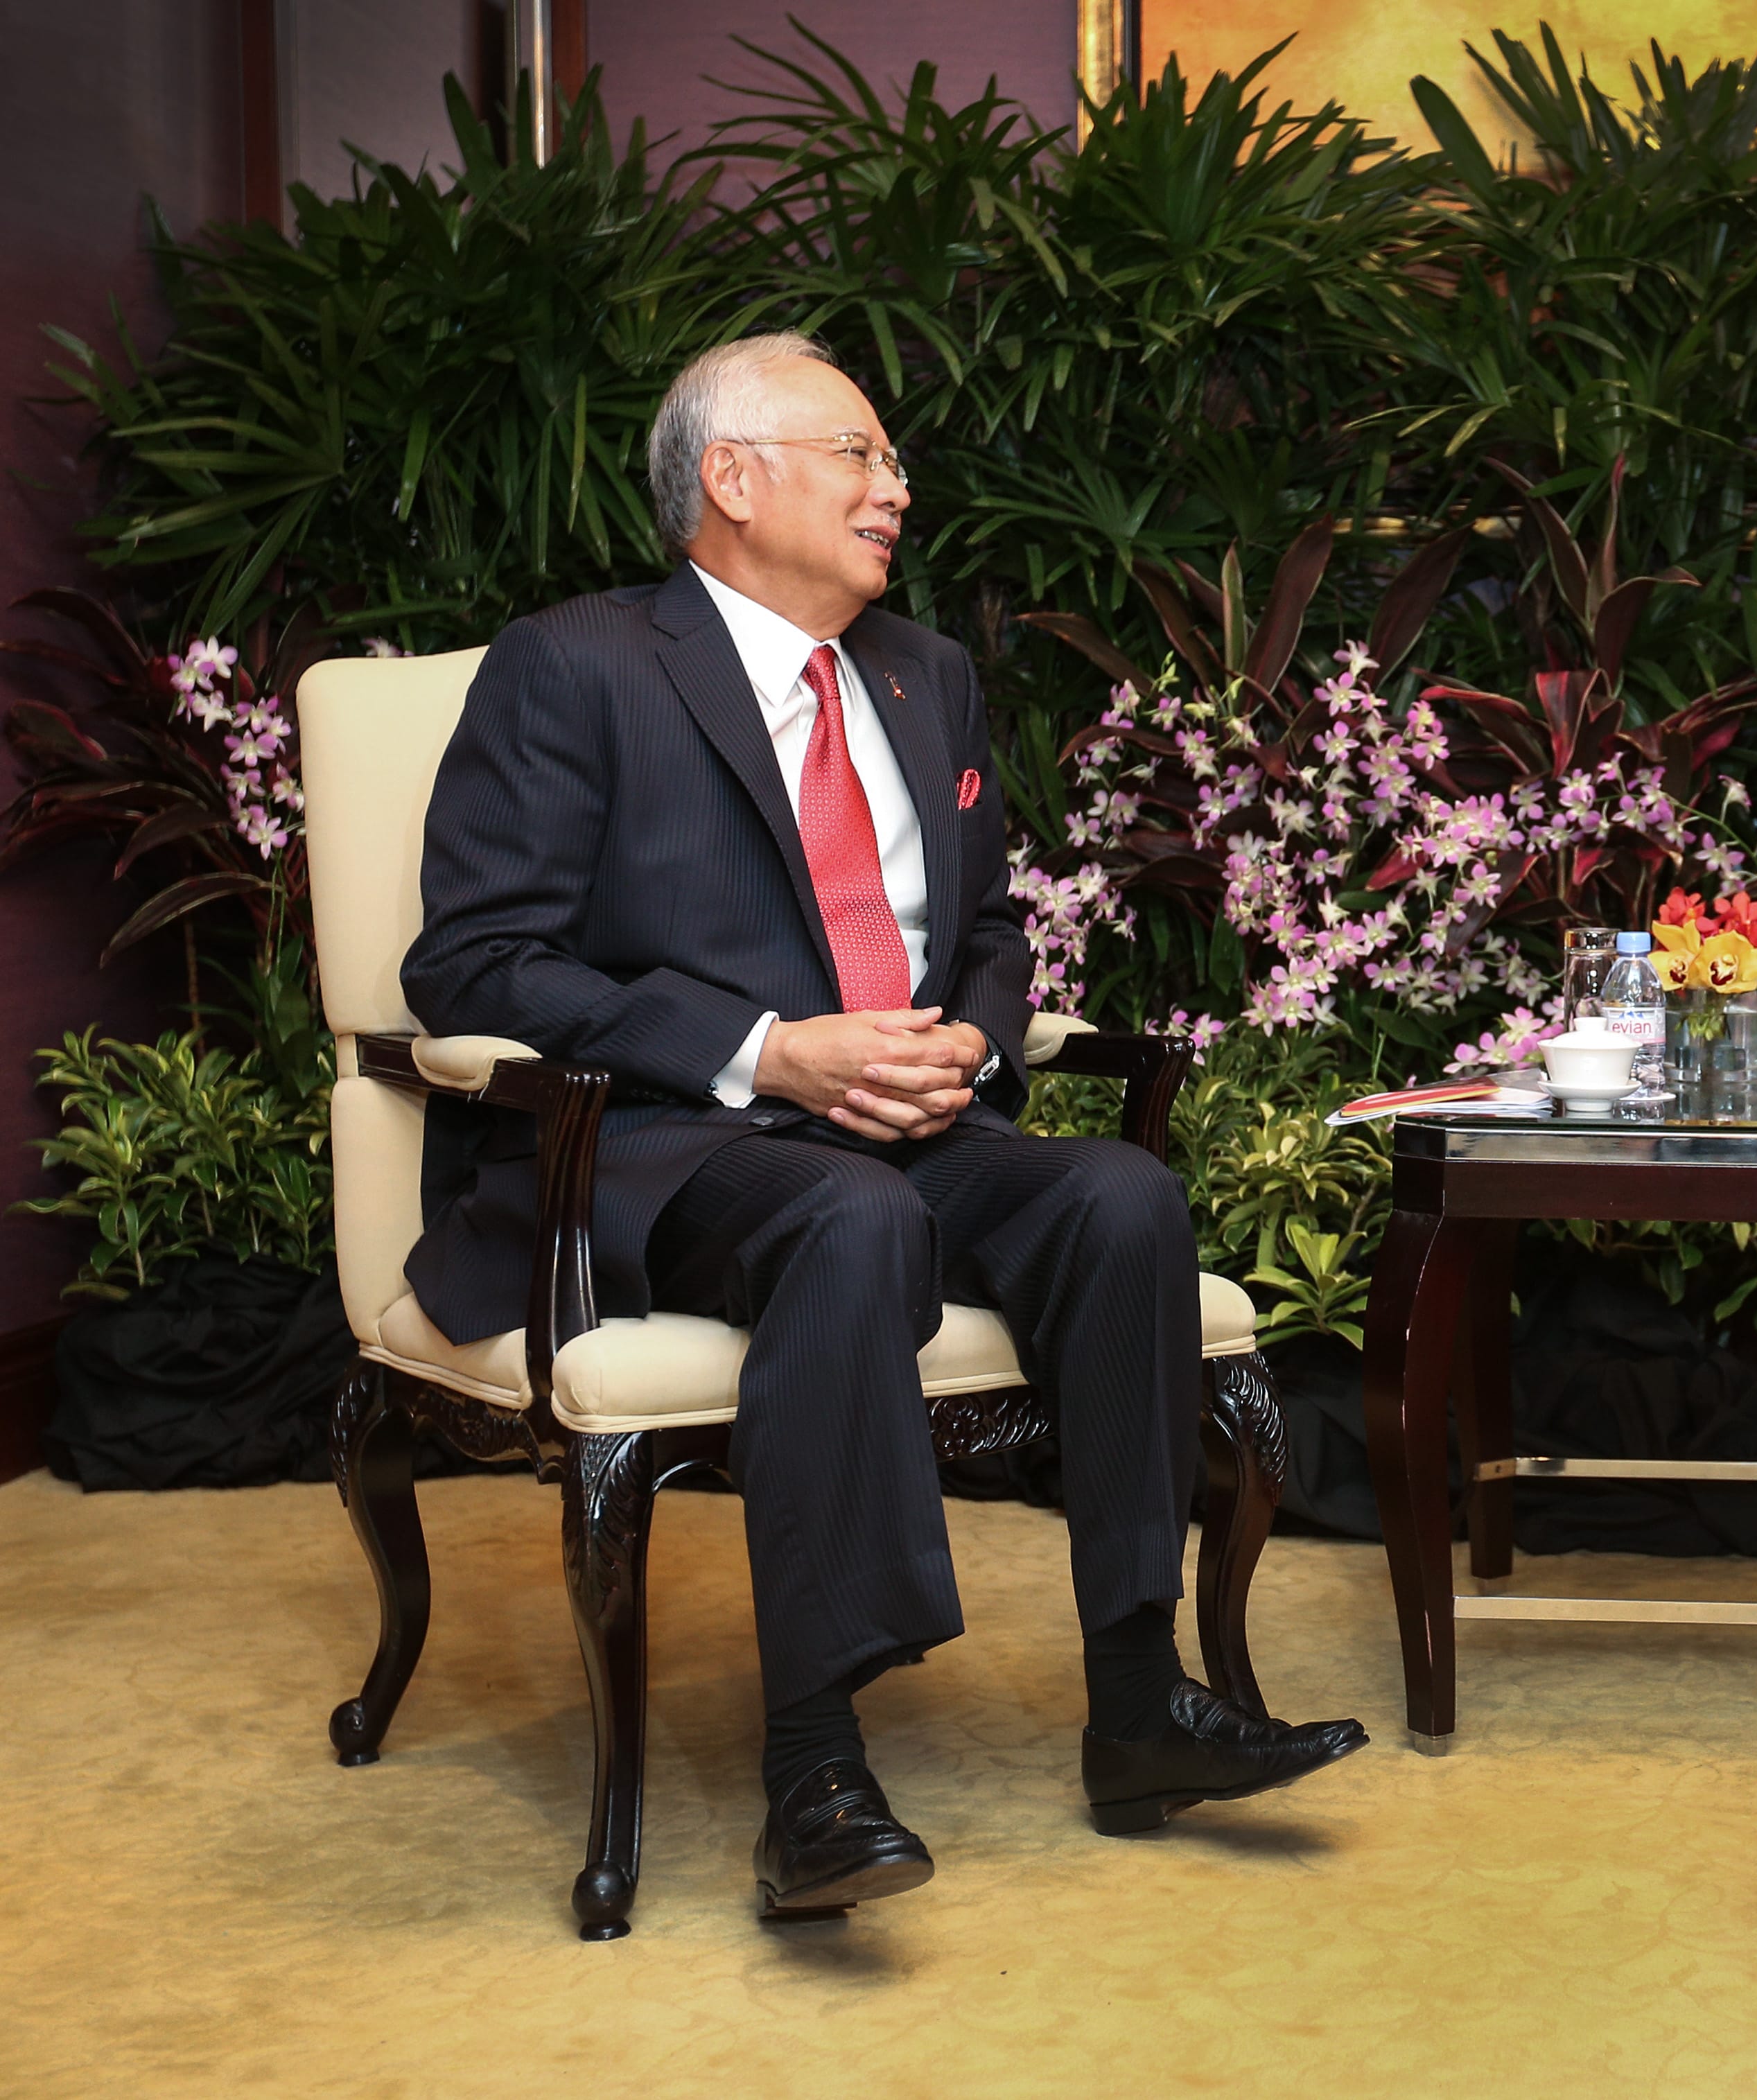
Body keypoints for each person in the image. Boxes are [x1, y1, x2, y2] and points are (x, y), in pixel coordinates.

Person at [401, 333, 1364, 1921]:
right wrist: (771, 1053)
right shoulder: (576, 664)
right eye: (857, 454)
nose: (895, 487)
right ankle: (815, 1769)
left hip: (914, 1121)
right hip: (674, 1143)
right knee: (855, 1222)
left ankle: (1140, 1703)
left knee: (1120, 1196)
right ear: (734, 477)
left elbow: (987, 924)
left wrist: (976, 1032)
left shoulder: (928, 673)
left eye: (891, 461)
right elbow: (478, 959)